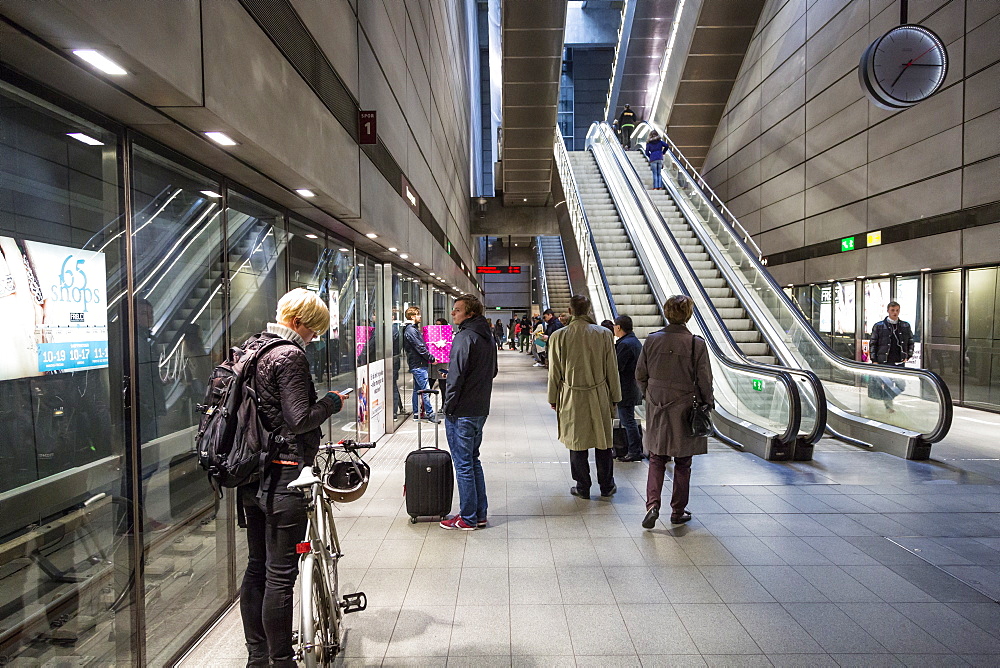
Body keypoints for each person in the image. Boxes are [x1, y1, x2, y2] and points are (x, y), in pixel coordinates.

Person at [240, 288, 347, 667]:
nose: (314, 338)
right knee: (280, 575)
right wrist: (332, 402)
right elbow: (300, 419)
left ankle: (258, 658)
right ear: (298, 322)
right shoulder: (289, 355)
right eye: (314, 331)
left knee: (256, 566)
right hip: (284, 476)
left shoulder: (251, 348)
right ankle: (282, 660)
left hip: (250, 473)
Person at [636, 295, 713, 529]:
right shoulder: (695, 344)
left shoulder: (652, 340)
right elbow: (704, 380)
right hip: (685, 405)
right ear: (688, 315)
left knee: (656, 458)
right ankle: (677, 511)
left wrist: (651, 395)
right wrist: (707, 403)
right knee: (683, 461)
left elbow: (640, 374)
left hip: (658, 404)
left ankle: (652, 505)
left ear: (666, 312)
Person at [547, 294, 621, 500]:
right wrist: (615, 396)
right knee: (603, 440)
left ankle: (582, 486)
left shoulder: (559, 336)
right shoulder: (604, 334)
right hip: (599, 393)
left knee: (576, 441)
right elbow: (611, 370)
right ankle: (606, 485)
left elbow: (555, 372)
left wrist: (553, 397)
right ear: (588, 311)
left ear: (570, 311)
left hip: (571, 393)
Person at [440, 293, 498, 530]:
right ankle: (479, 513)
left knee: (463, 464)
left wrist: (449, 406)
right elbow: (492, 371)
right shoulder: (487, 336)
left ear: (470, 313)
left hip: (462, 410)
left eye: (457, 309)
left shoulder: (464, 337)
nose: (453, 313)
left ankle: (467, 518)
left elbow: (456, 376)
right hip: (480, 407)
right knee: (473, 461)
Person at [868, 301, 914, 413]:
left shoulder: (905, 325)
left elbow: (910, 341)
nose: (895, 312)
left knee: (901, 385)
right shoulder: (879, 326)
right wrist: (874, 360)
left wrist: (908, 355)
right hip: (884, 360)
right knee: (887, 385)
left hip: (899, 361)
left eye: (897, 310)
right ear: (888, 311)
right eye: (893, 310)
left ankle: (886, 399)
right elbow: (873, 343)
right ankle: (889, 407)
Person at [613, 315, 644, 462]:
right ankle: (634, 449)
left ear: (618, 327)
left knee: (628, 421)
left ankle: (634, 451)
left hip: (625, 388)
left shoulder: (625, 344)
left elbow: (617, 367)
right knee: (628, 420)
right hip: (632, 387)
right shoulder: (634, 341)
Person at [402, 306, 437, 422]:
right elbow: (420, 347)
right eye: (418, 314)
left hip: (417, 364)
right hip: (418, 364)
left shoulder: (411, 329)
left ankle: (417, 413)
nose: (420, 316)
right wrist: (431, 358)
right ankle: (430, 413)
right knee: (426, 390)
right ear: (412, 316)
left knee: (417, 390)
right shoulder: (411, 330)